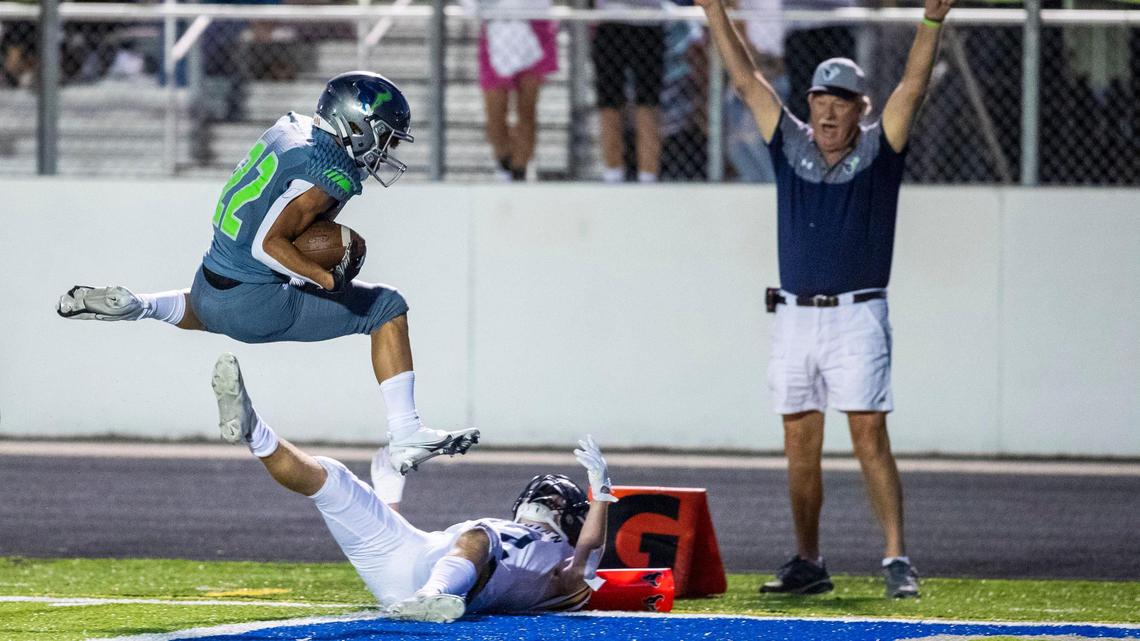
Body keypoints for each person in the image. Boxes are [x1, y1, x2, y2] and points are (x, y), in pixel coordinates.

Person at [56, 71, 478, 481]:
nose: (385, 150)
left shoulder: (290, 130)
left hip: (210, 284)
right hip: (257, 303)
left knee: (215, 305)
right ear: (354, 123)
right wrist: (321, 277)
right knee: (387, 307)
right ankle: (405, 432)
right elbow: (268, 244)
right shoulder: (327, 172)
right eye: (383, 136)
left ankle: (140, 305)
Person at [698, 0, 955, 599]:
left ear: (860, 109)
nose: (829, 111)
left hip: (858, 314)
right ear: (809, 104)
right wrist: (713, 10)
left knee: (868, 430)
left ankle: (895, 556)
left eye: (842, 101)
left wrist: (932, 22)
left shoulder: (879, 149)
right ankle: (808, 560)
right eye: (820, 100)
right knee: (799, 440)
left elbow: (912, 87)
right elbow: (745, 79)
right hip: (794, 315)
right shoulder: (789, 143)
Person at [210, 351, 618, 621]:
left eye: (550, 498)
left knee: (480, 535)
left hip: (446, 588)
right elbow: (423, 549)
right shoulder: (536, 546)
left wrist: (601, 496)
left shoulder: (564, 563)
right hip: (418, 563)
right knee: (332, 477)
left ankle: (431, 597)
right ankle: (252, 430)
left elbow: (585, 563)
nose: (542, 502)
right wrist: (390, 494)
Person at [469, 0, 560, 181]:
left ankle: (520, 171)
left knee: (527, 110)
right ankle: (504, 164)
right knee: (495, 112)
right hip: (496, 30)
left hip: (534, 25)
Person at [591, 0, 666, 183]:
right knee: (610, 103)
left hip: (647, 22)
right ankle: (613, 176)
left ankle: (647, 178)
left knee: (647, 104)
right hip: (613, 21)